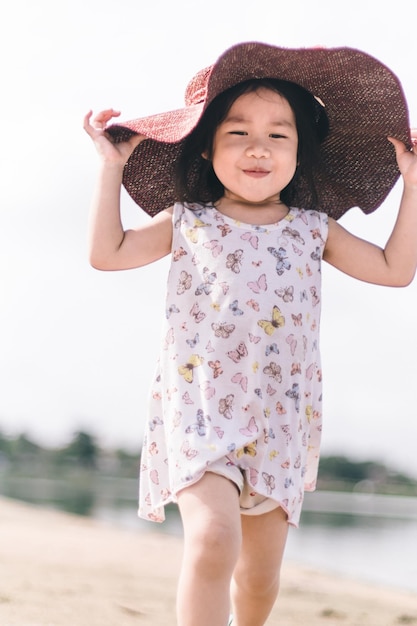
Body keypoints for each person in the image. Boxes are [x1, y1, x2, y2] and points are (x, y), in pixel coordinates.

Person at [84, 42, 417, 626]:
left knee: (258, 580)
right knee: (213, 541)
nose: (258, 147)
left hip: (281, 422)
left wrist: (414, 185)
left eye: (278, 135)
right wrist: (111, 167)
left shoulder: (316, 229)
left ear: (300, 155)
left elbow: (395, 270)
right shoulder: (187, 221)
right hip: (201, 409)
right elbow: (106, 255)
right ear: (207, 145)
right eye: (237, 132)